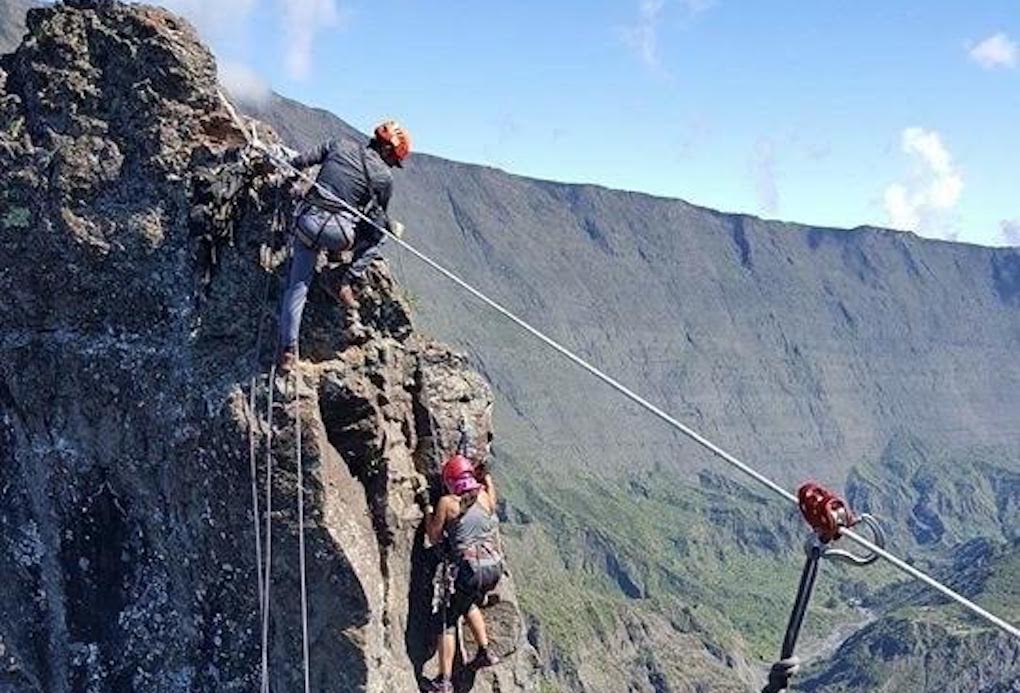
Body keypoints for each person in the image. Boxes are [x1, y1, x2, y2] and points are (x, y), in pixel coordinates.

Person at [276, 120, 411, 373]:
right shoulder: (383, 177)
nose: (391, 165)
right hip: (338, 234)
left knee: (297, 287)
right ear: (386, 151)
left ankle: (287, 352)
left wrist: (289, 182)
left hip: (306, 223)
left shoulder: (338, 144)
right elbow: (376, 218)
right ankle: (344, 279)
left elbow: (300, 161)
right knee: (380, 233)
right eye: (393, 159)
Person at [424, 453, 503, 692]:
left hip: (470, 569)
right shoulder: (485, 497)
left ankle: (444, 680)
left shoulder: (448, 503)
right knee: (466, 604)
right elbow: (490, 493)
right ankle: (485, 652)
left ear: (450, 481)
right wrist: (485, 475)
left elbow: (433, 536)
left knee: (446, 618)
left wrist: (428, 509)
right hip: (493, 567)